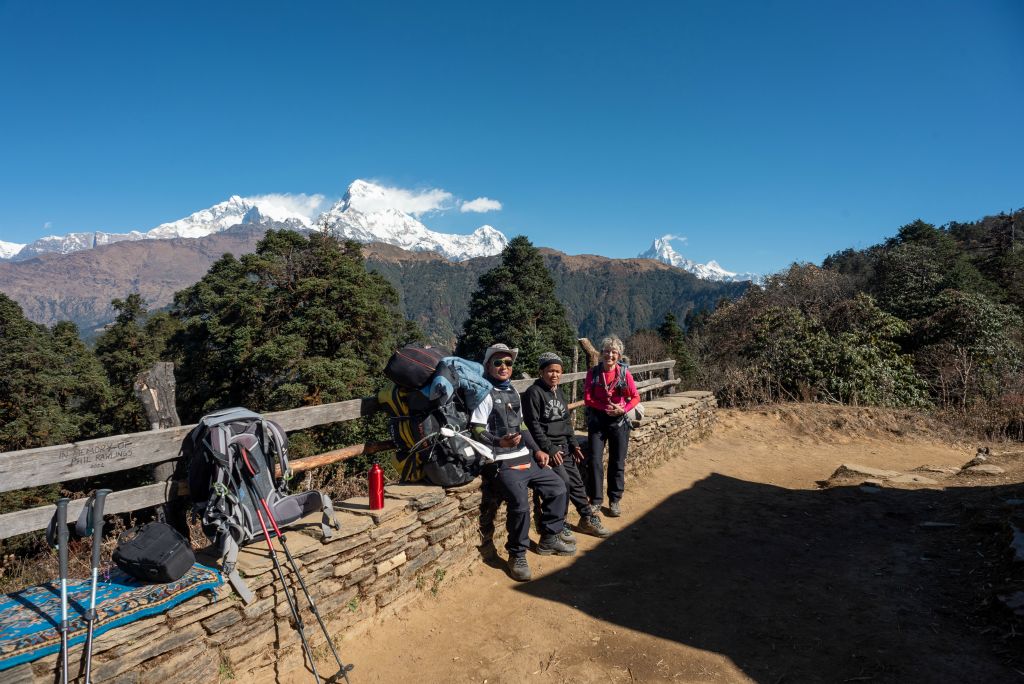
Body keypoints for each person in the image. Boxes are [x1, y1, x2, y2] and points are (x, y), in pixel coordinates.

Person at [470, 343, 574, 582]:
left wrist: (537, 450)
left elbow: (523, 425)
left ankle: (550, 536)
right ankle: (516, 554)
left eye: (508, 363)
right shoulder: (485, 394)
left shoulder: (513, 392)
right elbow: (475, 428)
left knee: (557, 487)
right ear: (488, 366)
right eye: (498, 362)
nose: (504, 367)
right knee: (519, 504)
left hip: (524, 456)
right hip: (501, 461)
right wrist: (499, 442)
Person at [523, 352, 611, 538]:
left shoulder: (559, 392)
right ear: (541, 372)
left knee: (577, 483)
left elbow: (566, 421)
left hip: (564, 447)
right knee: (563, 483)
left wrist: (573, 443)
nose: (554, 375)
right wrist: (550, 448)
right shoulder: (534, 393)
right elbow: (533, 425)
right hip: (549, 450)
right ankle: (558, 524)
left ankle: (586, 518)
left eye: (558, 371)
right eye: (550, 371)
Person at [583, 335, 641, 518]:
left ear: (619, 355)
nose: (610, 355)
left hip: (619, 421)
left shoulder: (624, 374)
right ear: (601, 354)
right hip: (598, 421)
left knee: (617, 462)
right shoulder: (593, 373)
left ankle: (614, 500)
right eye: (607, 351)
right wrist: (605, 408)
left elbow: (635, 397)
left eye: (614, 352)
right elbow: (587, 398)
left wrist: (622, 409)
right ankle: (596, 500)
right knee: (594, 461)